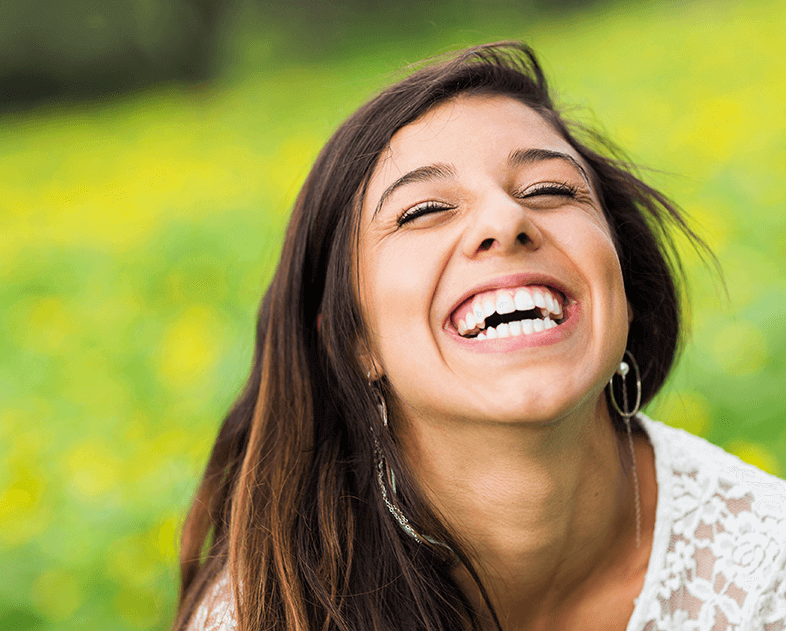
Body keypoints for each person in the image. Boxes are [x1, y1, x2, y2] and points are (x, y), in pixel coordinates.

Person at [173, 42, 786, 631]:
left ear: (622, 279)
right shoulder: (266, 614)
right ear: (353, 342)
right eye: (423, 210)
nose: (505, 220)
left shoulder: (768, 565)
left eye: (549, 190)